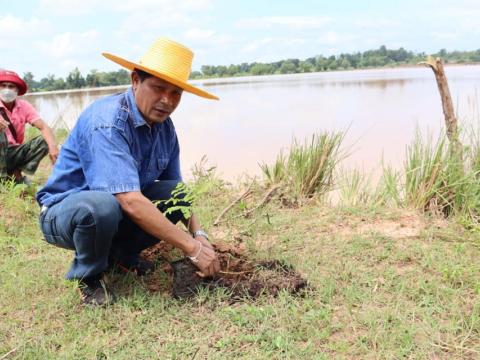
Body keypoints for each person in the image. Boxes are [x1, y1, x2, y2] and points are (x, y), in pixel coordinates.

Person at [36, 37, 221, 306]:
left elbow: (178, 191)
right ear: (135, 80)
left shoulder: (165, 128)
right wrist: (192, 249)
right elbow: (129, 201)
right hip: (66, 213)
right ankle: (89, 277)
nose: (167, 101)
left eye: (176, 93)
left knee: (172, 194)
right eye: (158, 88)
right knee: (101, 206)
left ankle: (121, 256)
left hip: (113, 210)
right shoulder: (108, 122)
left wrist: (200, 236)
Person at [0, 70, 58, 184]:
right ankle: (3, 179)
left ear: (16, 90)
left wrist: (53, 148)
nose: (7, 89)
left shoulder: (24, 106)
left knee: (44, 140)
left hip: (14, 151)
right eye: (3, 86)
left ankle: (16, 172)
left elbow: (43, 127)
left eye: (11, 86)